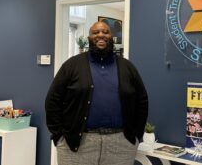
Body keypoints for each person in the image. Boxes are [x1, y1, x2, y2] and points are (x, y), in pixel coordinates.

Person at [45, 21, 148, 165]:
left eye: (105, 32)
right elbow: (52, 100)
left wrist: (137, 135)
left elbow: (142, 101)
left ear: (111, 37)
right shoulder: (72, 65)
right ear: (89, 38)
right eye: (95, 32)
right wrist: (59, 135)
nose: (101, 35)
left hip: (121, 143)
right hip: (78, 144)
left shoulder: (127, 67)